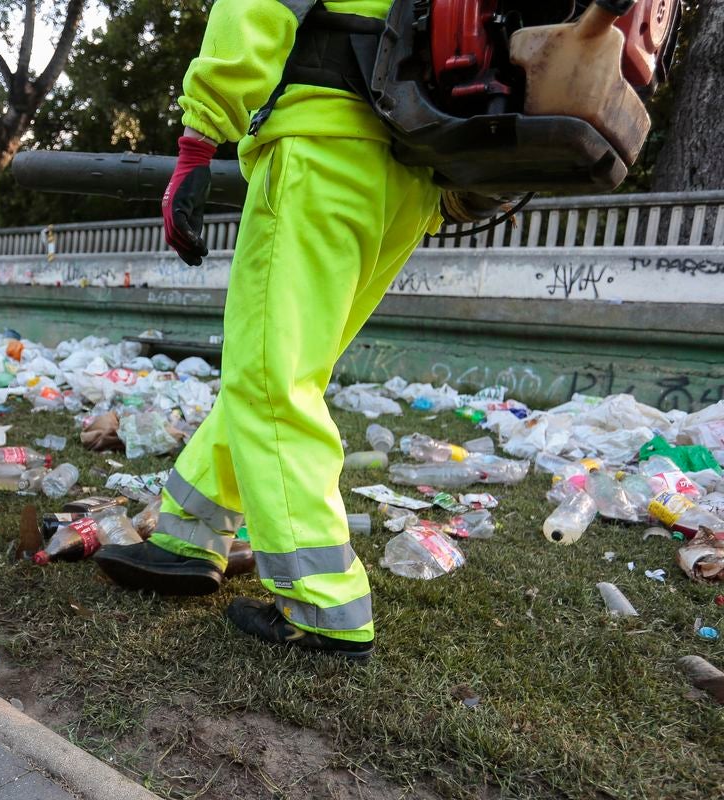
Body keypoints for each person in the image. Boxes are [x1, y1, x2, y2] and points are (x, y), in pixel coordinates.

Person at [94, 0, 482, 660]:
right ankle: (190, 536)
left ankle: (325, 604)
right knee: (279, 368)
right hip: (412, 172)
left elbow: (261, 6)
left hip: (323, 148)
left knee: (271, 382)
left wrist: (198, 138)